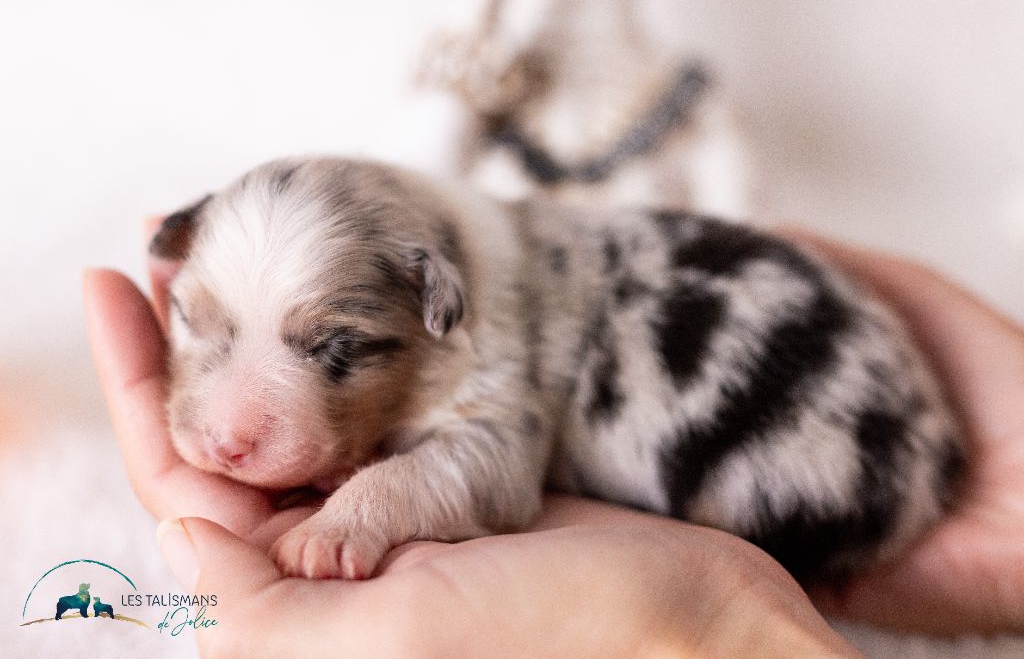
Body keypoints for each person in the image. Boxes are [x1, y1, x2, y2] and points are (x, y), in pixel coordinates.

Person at [81, 225, 1024, 656]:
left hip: (823, 462)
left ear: (436, 296)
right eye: (202, 331)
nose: (228, 423)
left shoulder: (491, 326)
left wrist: (709, 622)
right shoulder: (475, 285)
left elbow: (486, 459)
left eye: (332, 346)